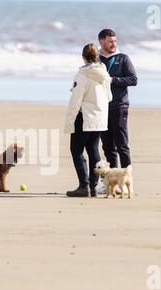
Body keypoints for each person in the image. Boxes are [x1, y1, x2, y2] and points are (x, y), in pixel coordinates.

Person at [64, 43, 112, 197]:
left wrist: (69, 120)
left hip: (84, 116)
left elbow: (75, 101)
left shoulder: (83, 74)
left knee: (76, 150)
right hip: (99, 117)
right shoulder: (104, 74)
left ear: (83, 57)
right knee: (93, 149)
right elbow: (109, 97)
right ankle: (93, 186)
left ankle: (84, 186)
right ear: (97, 56)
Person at [98, 29, 137, 185]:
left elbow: (133, 79)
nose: (113, 44)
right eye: (110, 41)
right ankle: (112, 182)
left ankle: (127, 181)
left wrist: (113, 80)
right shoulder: (96, 59)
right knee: (108, 147)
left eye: (114, 41)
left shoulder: (123, 58)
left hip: (119, 107)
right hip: (101, 108)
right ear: (101, 42)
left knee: (122, 145)